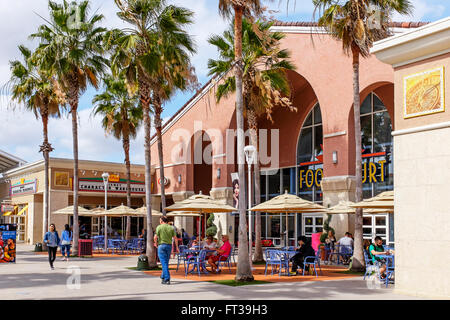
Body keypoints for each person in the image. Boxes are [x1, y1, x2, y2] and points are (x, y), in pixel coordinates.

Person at [154, 216, 178, 285]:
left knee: (163, 262)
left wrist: (156, 244)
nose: (159, 221)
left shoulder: (159, 227)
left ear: (162, 221)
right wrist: (177, 247)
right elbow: (175, 238)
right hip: (169, 246)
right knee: (166, 262)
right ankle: (163, 276)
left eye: (159, 220)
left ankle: (167, 278)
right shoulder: (171, 227)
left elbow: (155, 237)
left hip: (161, 246)